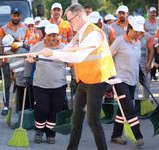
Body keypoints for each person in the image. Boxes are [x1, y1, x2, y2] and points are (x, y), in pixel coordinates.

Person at [39, 4, 116, 149]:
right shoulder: (80, 33)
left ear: (79, 16)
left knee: (93, 121)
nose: (69, 23)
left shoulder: (94, 33)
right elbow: (66, 49)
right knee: (76, 119)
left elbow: (78, 57)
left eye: (70, 20)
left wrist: (53, 53)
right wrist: (38, 55)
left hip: (98, 80)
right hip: (84, 80)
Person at [25, 24, 67, 144]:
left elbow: (72, 62)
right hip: (40, 85)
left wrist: (74, 78)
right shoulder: (37, 47)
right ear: (45, 36)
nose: (52, 38)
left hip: (59, 85)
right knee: (42, 109)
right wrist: (27, 75)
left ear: (58, 35)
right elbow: (28, 61)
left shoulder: (64, 48)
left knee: (55, 111)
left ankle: (50, 133)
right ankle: (39, 131)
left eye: (54, 35)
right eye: (50, 35)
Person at [110, 16, 145, 146]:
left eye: (140, 32)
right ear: (129, 28)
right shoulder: (119, 41)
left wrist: (140, 74)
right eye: (136, 31)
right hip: (119, 80)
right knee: (130, 108)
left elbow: (135, 61)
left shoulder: (138, 42)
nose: (138, 34)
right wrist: (109, 76)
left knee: (122, 109)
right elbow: (108, 57)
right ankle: (138, 136)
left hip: (132, 80)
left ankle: (115, 135)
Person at [0, 7, 27, 115]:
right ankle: (6, 106)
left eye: (17, 15)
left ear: (20, 16)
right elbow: (1, 45)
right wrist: (0, 60)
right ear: (11, 16)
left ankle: (19, 105)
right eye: (14, 15)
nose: (16, 17)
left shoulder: (25, 28)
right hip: (7, 59)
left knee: (19, 82)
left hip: (20, 59)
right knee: (7, 82)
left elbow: (27, 43)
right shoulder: (4, 28)